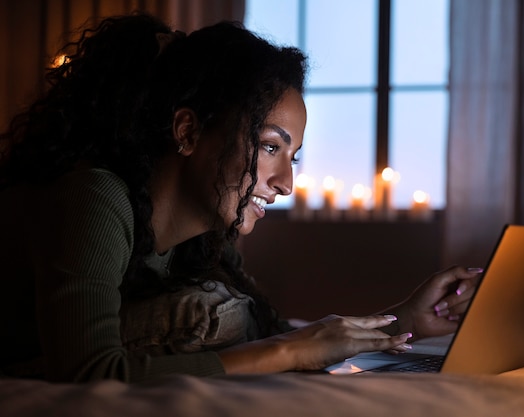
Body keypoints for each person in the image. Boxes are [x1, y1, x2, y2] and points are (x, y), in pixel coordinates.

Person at [0, 12, 482, 383]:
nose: (284, 183)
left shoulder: (204, 238)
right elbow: (90, 375)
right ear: (188, 131)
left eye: (291, 156)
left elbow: (272, 333)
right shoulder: (94, 197)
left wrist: (405, 319)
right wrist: (287, 354)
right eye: (270, 147)